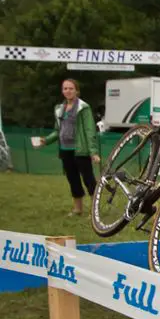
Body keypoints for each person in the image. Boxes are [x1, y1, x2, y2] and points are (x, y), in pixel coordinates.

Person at [34, 78, 100, 216]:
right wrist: (45, 140)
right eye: (65, 88)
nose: (68, 91)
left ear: (77, 91)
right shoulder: (59, 109)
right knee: (73, 180)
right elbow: (58, 130)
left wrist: (93, 152)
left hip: (81, 150)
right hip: (65, 150)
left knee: (89, 180)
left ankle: (95, 212)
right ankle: (78, 209)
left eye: (71, 88)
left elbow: (90, 130)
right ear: (62, 91)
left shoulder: (83, 107)